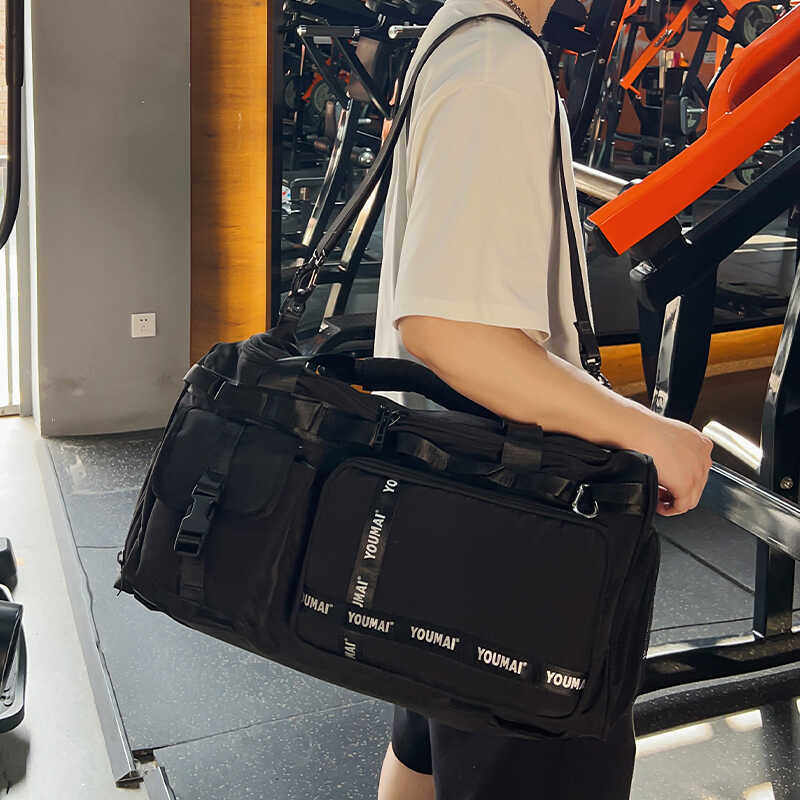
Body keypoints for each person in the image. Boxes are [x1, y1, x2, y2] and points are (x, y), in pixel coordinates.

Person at [371, 0, 714, 796]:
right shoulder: (496, 65)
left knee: (424, 752)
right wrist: (648, 432)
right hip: (506, 533)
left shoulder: (464, 35)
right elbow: (449, 329)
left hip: (444, 498)